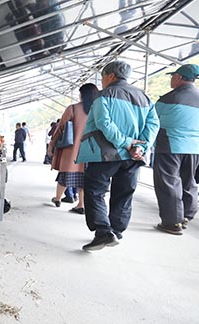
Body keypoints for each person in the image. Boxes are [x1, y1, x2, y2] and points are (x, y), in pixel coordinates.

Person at [76, 60, 159, 251]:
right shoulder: (145, 98)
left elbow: (104, 123)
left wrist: (126, 142)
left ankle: (104, 232)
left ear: (111, 76)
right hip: (132, 157)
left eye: (103, 77)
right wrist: (140, 147)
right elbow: (153, 125)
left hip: (105, 154)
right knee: (124, 193)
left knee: (95, 190)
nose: (102, 81)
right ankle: (116, 231)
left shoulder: (103, 95)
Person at [153, 64, 199, 235]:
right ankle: (186, 215)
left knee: (168, 183)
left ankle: (172, 223)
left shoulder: (168, 99)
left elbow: (152, 121)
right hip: (195, 148)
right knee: (189, 182)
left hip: (170, 145)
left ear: (179, 78)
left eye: (173, 76)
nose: (171, 79)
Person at [47, 83, 99, 214]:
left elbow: (60, 128)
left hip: (72, 150)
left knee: (65, 175)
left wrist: (52, 144)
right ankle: (81, 204)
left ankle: (58, 198)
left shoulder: (73, 109)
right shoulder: (100, 109)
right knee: (84, 179)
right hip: (92, 151)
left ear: (82, 95)